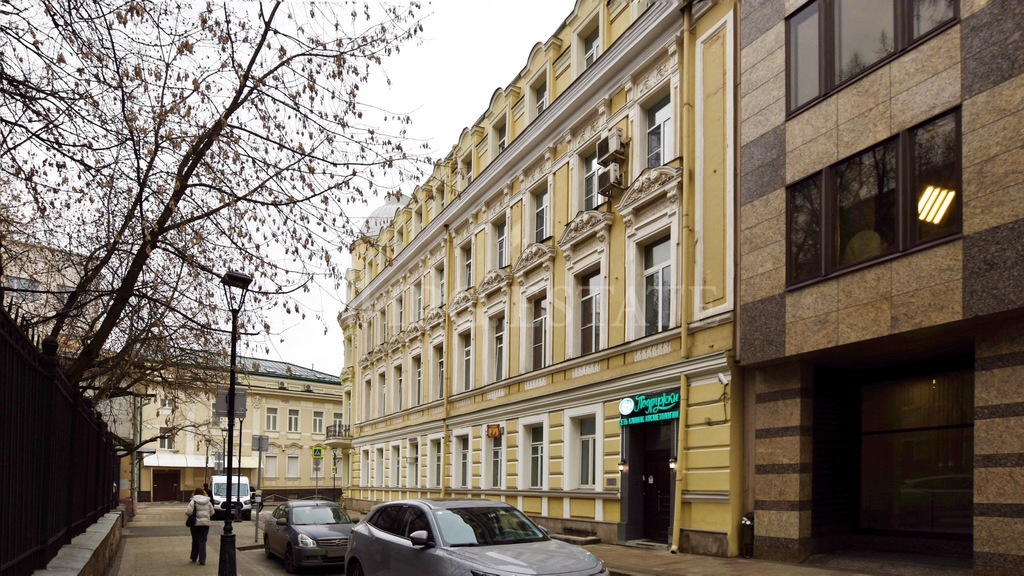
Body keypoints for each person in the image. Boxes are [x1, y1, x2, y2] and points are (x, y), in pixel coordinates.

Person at [186, 487, 215, 565]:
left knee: (195, 540)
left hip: (195, 524)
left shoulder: (193, 501)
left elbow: (188, 512)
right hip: (205, 524)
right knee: (203, 541)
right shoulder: (208, 502)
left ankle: (194, 557)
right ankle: (202, 560)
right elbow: (212, 512)